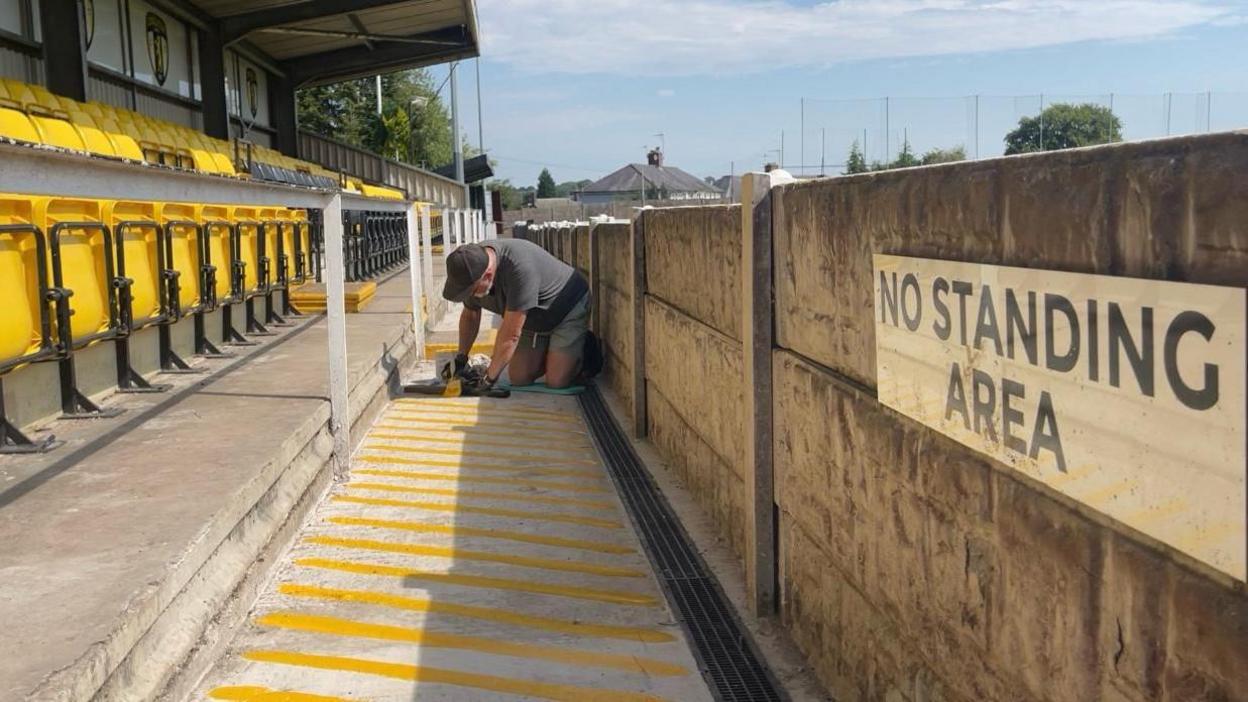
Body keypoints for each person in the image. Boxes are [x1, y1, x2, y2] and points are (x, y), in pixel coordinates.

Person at [441, 239, 591, 393]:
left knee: (557, 381)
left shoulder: (518, 269)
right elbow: (470, 315)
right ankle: (552, 353)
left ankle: (585, 350)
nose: (470, 295)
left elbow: (511, 335)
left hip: (566, 309)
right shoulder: (471, 267)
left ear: (487, 276)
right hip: (533, 317)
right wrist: (461, 359)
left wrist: (487, 381)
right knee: (519, 378)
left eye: (471, 291)